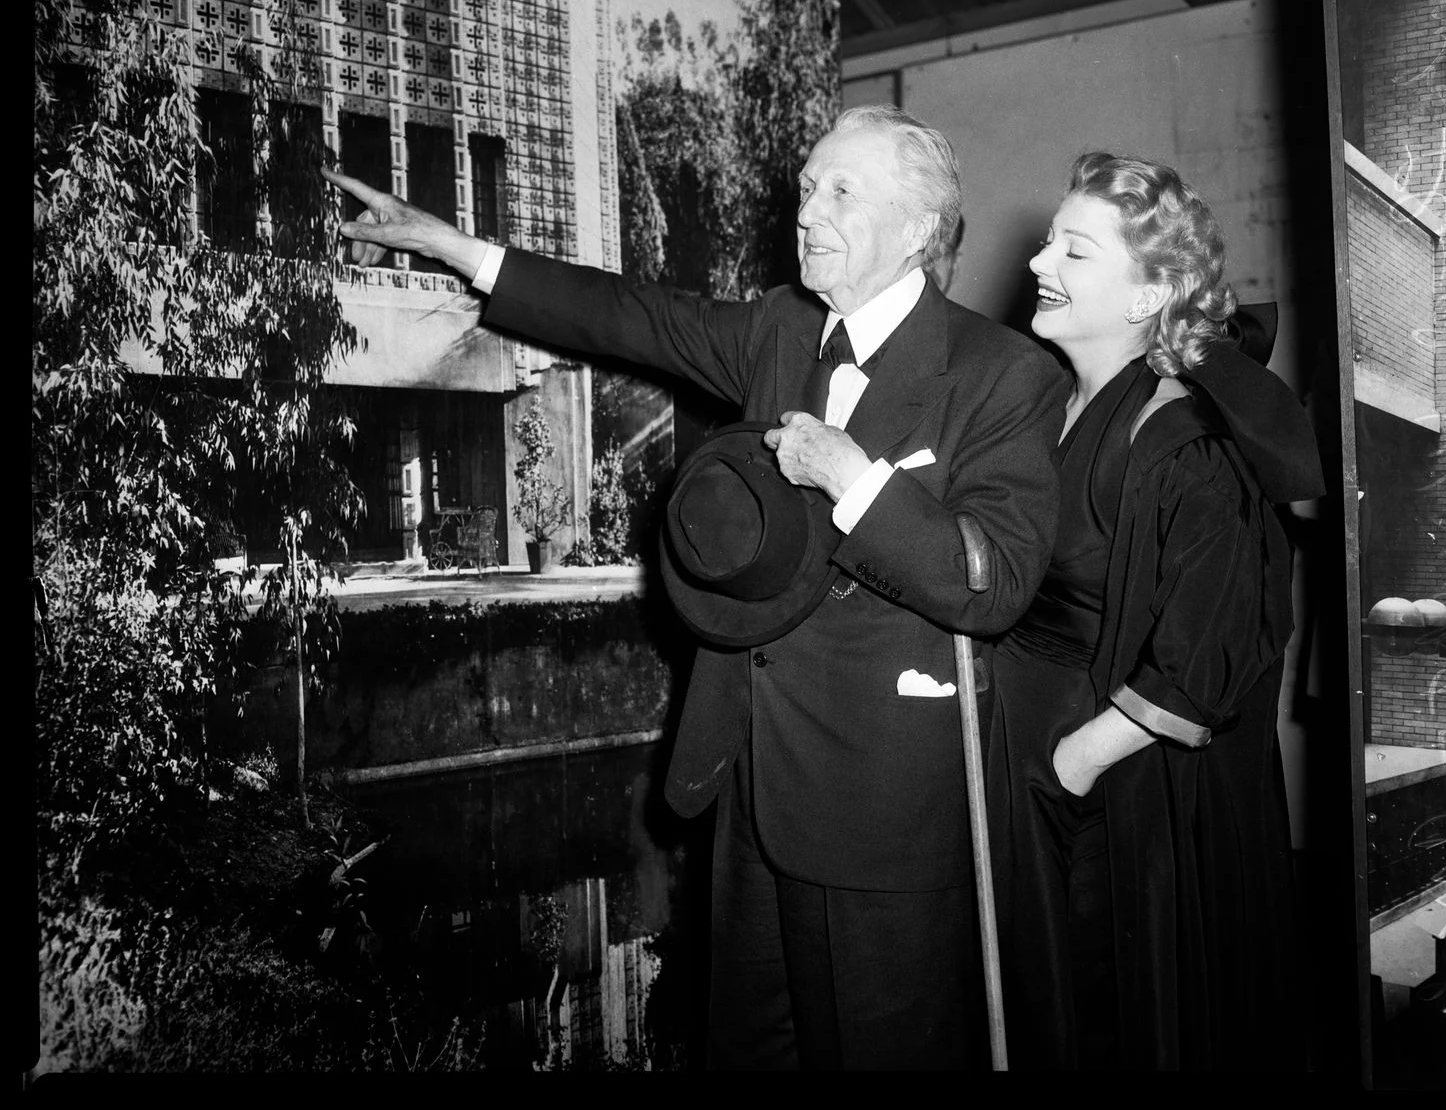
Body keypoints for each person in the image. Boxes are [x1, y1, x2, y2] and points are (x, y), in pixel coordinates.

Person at [324, 104, 1066, 1069]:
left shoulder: (1003, 373)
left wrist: (853, 479)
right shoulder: (778, 330)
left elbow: (995, 581)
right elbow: (632, 315)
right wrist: (454, 247)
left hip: (883, 817)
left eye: (842, 189)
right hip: (753, 790)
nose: (809, 209)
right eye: (807, 187)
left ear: (923, 227)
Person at [985, 151, 1322, 1072]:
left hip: (1125, 803)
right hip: (1040, 785)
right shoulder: (1053, 402)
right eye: (1050, 240)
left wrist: (1073, 765)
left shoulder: (1184, 437)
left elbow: (1206, 653)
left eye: (1075, 251)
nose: (1038, 263)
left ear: (1148, 296)